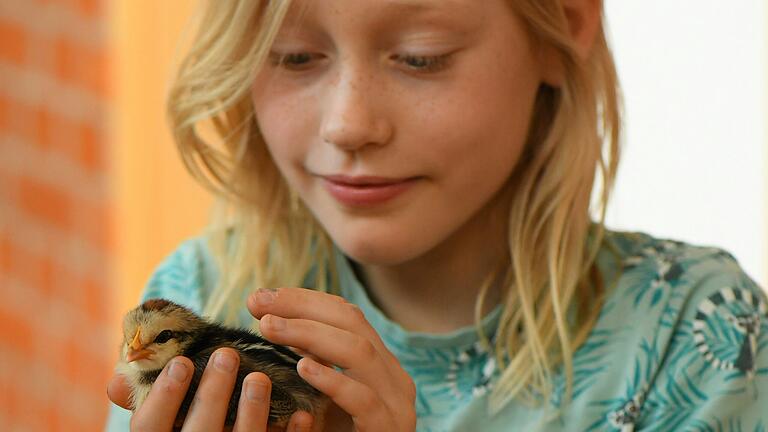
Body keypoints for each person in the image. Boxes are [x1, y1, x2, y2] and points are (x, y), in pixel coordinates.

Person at [105, 0, 768, 430]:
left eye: (421, 56)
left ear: (565, 21)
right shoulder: (195, 299)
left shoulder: (700, 338)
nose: (349, 125)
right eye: (295, 57)